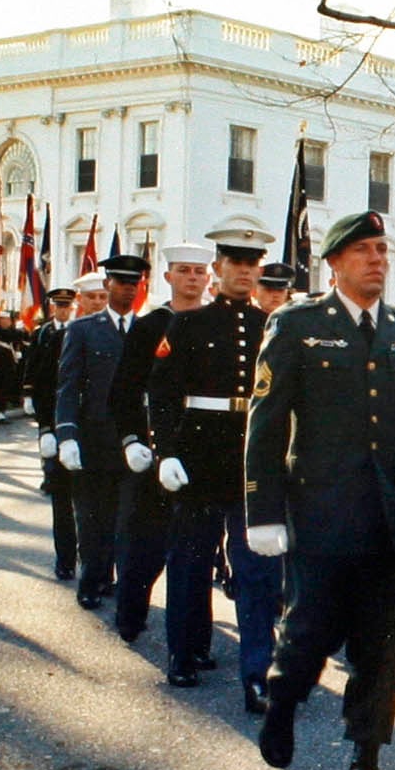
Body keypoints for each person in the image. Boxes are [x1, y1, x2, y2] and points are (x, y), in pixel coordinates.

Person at [247, 210, 395, 770]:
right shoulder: (297, 324)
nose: (377, 260)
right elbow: (266, 421)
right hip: (320, 514)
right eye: (362, 251)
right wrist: (263, 511)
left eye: (383, 249)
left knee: (383, 648)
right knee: (308, 633)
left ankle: (366, 764)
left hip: (388, 518)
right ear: (334, 263)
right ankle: (283, 698)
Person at [149, 221, 284, 712]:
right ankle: (183, 653)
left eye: (253, 264)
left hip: (253, 458)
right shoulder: (187, 324)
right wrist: (166, 452)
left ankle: (258, 672)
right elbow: (162, 396)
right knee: (189, 561)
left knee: (257, 571)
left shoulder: (274, 326)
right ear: (219, 269)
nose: (245, 272)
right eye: (236, 263)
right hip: (200, 455)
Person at [114, 243, 213, 665]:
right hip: (156, 448)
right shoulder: (150, 324)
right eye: (183, 271)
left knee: (197, 555)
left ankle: (195, 642)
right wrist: (133, 439)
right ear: (168, 277)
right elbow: (126, 389)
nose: (192, 278)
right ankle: (130, 614)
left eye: (199, 271)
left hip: (201, 451)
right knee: (146, 544)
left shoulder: (214, 322)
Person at [55, 253, 149, 609]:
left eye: (134, 283)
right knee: (94, 516)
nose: (127, 289)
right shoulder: (83, 330)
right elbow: (68, 386)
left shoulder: (148, 330)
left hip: (135, 441)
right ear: (107, 284)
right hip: (96, 438)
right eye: (121, 282)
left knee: (128, 519)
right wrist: (67, 435)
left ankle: (120, 581)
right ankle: (91, 580)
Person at [25, 283, 80, 582]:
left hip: (82, 423)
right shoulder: (43, 334)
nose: (63, 309)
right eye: (59, 306)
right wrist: (43, 423)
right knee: (60, 491)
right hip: (53, 414)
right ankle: (65, 559)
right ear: (52, 307)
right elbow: (36, 372)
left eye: (66, 305)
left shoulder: (78, 331)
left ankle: (91, 555)